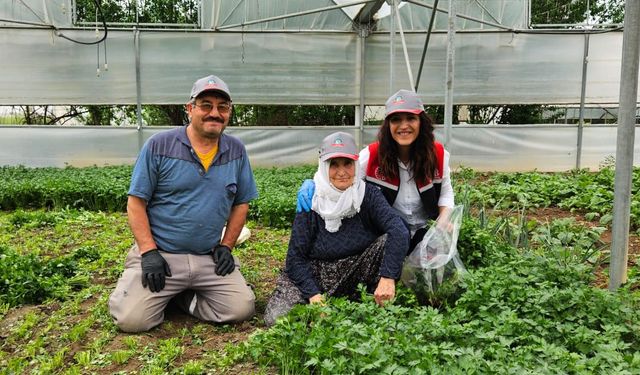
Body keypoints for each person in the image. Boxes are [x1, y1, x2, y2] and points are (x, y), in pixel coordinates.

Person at [108, 74, 258, 333]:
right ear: (190, 109)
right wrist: (149, 252)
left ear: (229, 113)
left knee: (241, 309)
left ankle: (183, 299)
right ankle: (162, 290)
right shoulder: (159, 145)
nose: (215, 113)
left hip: (208, 256)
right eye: (206, 105)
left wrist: (226, 246)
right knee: (132, 320)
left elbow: (241, 203)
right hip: (163, 256)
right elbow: (135, 203)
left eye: (222, 107)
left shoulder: (236, 150)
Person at [264, 132, 409, 326]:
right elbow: (295, 259)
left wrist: (388, 277)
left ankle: (356, 300)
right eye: (334, 164)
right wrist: (313, 295)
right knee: (277, 319)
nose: (342, 171)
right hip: (316, 274)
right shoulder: (311, 200)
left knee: (387, 240)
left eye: (347, 163)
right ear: (324, 167)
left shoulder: (367, 194)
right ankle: (328, 305)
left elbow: (398, 229)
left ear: (355, 166)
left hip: (356, 270)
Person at [297, 89, 455, 251]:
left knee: (432, 262)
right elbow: (344, 175)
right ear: (388, 125)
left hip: (426, 227)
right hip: (388, 231)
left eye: (411, 118)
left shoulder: (438, 155)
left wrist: (443, 218)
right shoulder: (371, 155)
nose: (404, 126)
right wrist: (313, 184)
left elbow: (445, 192)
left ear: (421, 122)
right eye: (396, 120)